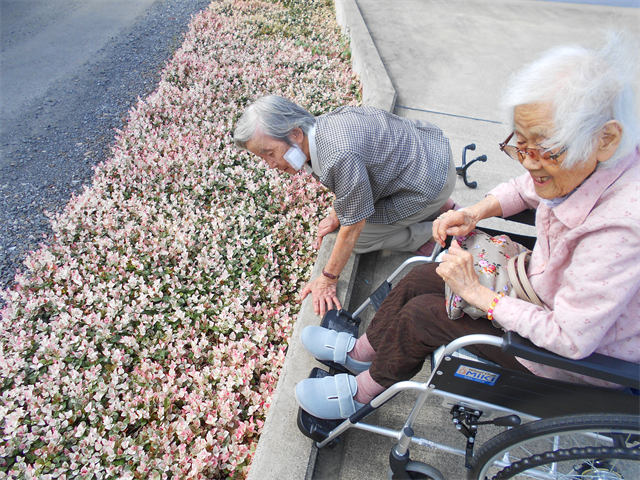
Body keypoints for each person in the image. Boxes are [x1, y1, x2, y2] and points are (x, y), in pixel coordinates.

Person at [295, 33, 640, 420]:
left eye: (543, 150)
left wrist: (478, 294)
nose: (528, 162)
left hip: (570, 363)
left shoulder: (621, 230)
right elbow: (529, 188)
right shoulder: (589, 164)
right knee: (421, 278)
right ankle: (360, 355)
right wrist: (476, 212)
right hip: (536, 291)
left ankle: (361, 394)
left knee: (423, 316)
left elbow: (570, 339)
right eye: (520, 145)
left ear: (606, 138)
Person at [234, 97, 458, 317]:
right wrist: (335, 214)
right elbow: (354, 178)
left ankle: (433, 230)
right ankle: (441, 206)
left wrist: (327, 279)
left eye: (270, 154)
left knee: (358, 241)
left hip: (432, 182)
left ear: (295, 134)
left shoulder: (338, 156)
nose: (271, 165)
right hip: (433, 153)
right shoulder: (322, 127)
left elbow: (352, 227)